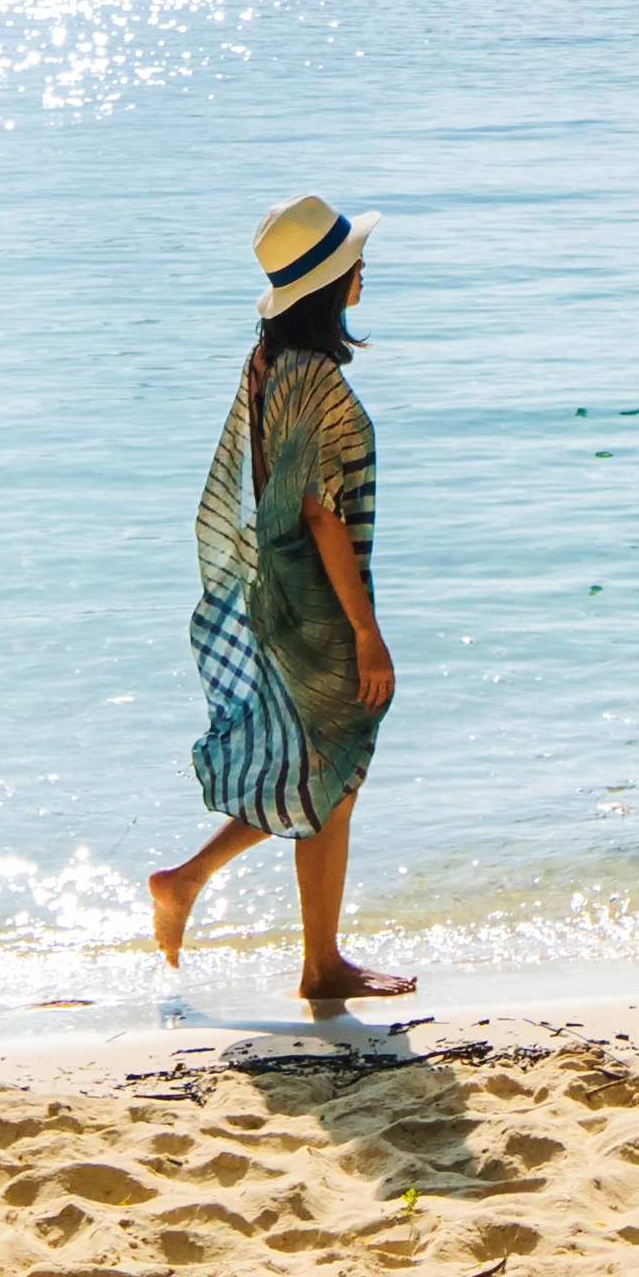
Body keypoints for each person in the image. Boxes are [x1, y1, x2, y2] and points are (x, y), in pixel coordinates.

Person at [147, 193, 406, 1016]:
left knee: (324, 765)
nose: (364, 267)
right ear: (330, 285)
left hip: (282, 588)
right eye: (352, 262)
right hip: (313, 598)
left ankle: (237, 911)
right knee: (333, 761)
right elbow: (320, 512)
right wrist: (366, 631)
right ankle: (305, 956)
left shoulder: (269, 358)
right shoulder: (313, 376)